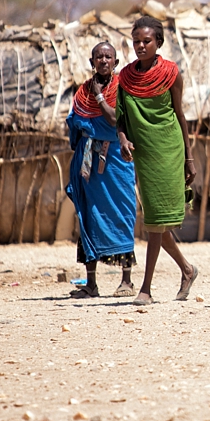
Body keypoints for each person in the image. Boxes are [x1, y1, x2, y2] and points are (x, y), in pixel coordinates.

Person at [117, 16, 198, 306]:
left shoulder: (171, 73)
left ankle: (146, 289)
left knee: (154, 223)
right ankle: (187, 270)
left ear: (158, 43)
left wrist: (189, 158)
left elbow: (180, 114)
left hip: (169, 150)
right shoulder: (124, 78)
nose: (140, 46)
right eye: (136, 41)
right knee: (155, 221)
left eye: (146, 41)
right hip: (144, 154)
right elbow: (121, 120)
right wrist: (123, 139)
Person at [65, 42, 137, 298]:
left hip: (117, 160)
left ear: (116, 62)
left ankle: (126, 282)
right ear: (91, 61)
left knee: (122, 214)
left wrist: (98, 97)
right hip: (89, 163)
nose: (104, 60)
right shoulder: (83, 91)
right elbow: (74, 122)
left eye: (108, 56)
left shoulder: (123, 88)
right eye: (99, 56)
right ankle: (91, 284)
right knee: (90, 216)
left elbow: (116, 120)